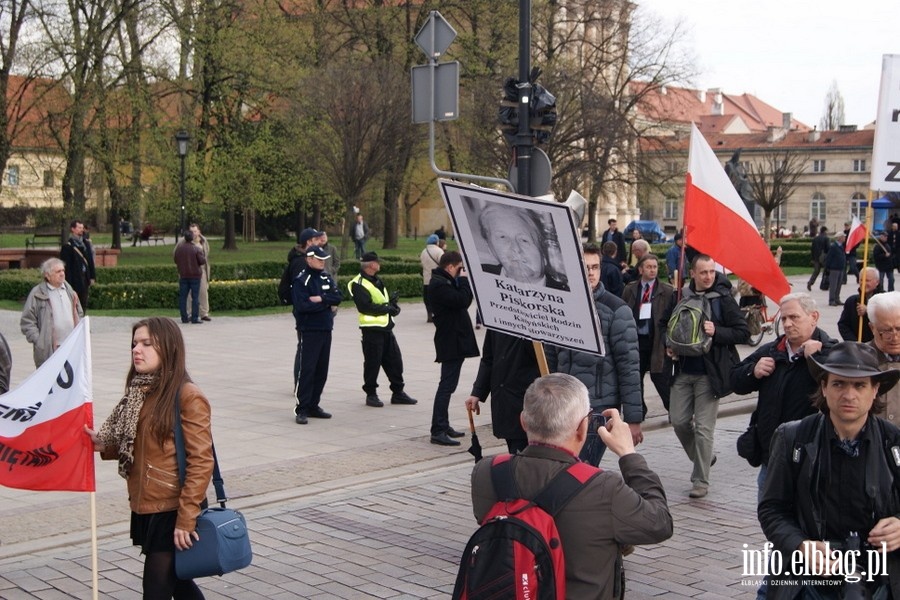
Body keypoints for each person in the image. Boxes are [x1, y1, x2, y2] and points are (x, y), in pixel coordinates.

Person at [470, 373, 673, 599]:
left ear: (523, 421)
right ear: (582, 427)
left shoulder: (488, 472)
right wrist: (628, 454)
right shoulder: (603, 487)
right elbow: (660, 523)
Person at [758, 342, 900, 599]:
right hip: (809, 579)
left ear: (875, 390)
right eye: (838, 384)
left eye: (859, 385)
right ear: (824, 387)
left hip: (881, 579)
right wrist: (800, 545)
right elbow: (771, 509)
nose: (849, 395)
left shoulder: (895, 442)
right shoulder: (793, 437)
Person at [85, 317, 214, 600]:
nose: (136, 350)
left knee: (156, 589)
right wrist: (104, 446)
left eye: (146, 343)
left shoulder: (187, 396)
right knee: (179, 583)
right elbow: (141, 445)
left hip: (172, 507)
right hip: (148, 504)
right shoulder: (141, 391)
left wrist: (186, 517)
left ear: (168, 348)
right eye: (134, 343)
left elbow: (201, 461)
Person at [730, 292, 835, 499]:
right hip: (773, 456)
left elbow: (841, 388)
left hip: (812, 457)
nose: (787, 324)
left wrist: (818, 359)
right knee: (770, 515)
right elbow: (734, 381)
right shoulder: (772, 350)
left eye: (794, 317)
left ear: (814, 317)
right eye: (784, 318)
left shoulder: (831, 350)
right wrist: (753, 370)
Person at [546, 244, 643, 465]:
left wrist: (634, 418)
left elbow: (629, 367)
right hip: (565, 405)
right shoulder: (561, 306)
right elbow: (552, 358)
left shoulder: (617, 310)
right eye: (585, 267)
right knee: (564, 468)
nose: (590, 272)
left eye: (595, 267)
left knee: (583, 467)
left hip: (598, 407)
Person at [666, 254, 749, 498]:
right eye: (703, 272)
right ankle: (704, 457)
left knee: (703, 428)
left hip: (710, 374)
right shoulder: (680, 296)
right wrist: (668, 344)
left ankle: (700, 481)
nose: (709, 276)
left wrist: (717, 331)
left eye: (712, 271)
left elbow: (743, 332)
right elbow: (665, 325)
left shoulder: (723, 299)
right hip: (682, 370)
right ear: (692, 273)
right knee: (679, 421)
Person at [348, 252, 418, 408]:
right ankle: (371, 394)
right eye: (377, 262)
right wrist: (387, 309)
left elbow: (381, 301)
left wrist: (392, 306)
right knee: (373, 363)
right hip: (371, 330)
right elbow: (365, 306)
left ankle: (398, 393)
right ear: (371, 265)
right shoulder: (358, 283)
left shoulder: (376, 280)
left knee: (395, 361)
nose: (379, 264)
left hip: (386, 328)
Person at [427, 251, 479, 446]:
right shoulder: (439, 285)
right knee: (446, 386)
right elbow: (463, 301)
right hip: (450, 342)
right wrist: (465, 280)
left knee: (449, 386)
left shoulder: (444, 281)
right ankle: (437, 430)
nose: (460, 272)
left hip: (454, 340)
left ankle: (443, 424)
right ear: (450, 267)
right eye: (459, 268)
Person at [464, 330, 540, 454]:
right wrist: (477, 392)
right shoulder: (496, 321)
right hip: (504, 399)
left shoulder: (533, 324)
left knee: (523, 452)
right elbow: (488, 359)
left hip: (528, 400)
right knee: (513, 449)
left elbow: (544, 359)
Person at [292, 245, 343, 425]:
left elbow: (338, 296)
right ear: (309, 259)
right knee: (308, 370)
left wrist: (321, 299)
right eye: (319, 259)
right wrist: (326, 304)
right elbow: (303, 306)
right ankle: (302, 408)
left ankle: (314, 405)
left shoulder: (325, 277)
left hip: (325, 328)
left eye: (324, 260)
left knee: (322, 370)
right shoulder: (301, 280)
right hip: (310, 329)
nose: (322, 263)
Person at [622, 253, 676, 414]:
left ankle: (673, 410)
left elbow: (673, 318)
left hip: (657, 341)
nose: (652, 270)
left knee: (659, 377)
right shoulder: (631, 289)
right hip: (636, 340)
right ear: (640, 269)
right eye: (649, 267)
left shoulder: (666, 291)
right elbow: (623, 311)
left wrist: (670, 341)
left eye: (655, 267)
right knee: (635, 378)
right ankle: (640, 411)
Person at [477, 203, 569, 290]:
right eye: (503, 237)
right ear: (490, 249)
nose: (515, 249)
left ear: (544, 252)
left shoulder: (567, 294)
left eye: (524, 240)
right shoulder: (479, 277)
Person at [20, 258, 83, 367]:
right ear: (47, 275)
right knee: (50, 382)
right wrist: (39, 341)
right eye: (58, 271)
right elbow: (27, 321)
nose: (62, 274)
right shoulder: (37, 293)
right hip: (49, 349)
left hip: (71, 345)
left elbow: (79, 312)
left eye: (63, 270)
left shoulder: (69, 290)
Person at [866, 291, 900, 428]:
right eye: (886, 331)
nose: (895, 337)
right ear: (872, 328)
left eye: (899, 328)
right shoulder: (857, 360)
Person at [59, 219, 96, 312]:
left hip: (85, 279)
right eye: (79, 228)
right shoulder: (67, 247)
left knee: (83, 304)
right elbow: (66, 267)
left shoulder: (86, 244)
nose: (81, 230)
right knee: (73, 305)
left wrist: (92, 276)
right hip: (74, 280)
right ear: (73, 229)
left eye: (82, 228)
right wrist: (68, 282)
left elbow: (90, 261)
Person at [837, 266, 881, 342]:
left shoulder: (885, 299)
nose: (863, 283)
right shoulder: (852, 301)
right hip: (857, 346)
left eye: (867, 280)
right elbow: (843, 325)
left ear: (877, 282)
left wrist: (868, 310)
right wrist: (854, 343)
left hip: (878, 346)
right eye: (861, 280)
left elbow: (889, 320)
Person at [173, 231, 207, 324]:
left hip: (183, 275)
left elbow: (175, 259)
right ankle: (195, 318)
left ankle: (184, 317)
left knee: (183, 297)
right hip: (195, 276)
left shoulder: (179, 249)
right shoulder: (196, 249)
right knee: (195, 297)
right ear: (192, 238)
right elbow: (202, 261)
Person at [188, 224, 211, 322]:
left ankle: (204, 313)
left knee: (203, 291)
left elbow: (207, 252)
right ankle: (189, 312)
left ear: (199, 231)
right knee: (189, 293)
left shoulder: (203, 241)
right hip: (189, 270)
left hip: (201, 269)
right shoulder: (185, 241)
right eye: (191, 231)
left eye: (195, 231)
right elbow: (176, 252)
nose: (193, 233)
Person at [419, 234, 443, 324]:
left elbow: (422, 264)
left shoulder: (424, 251)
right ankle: (436, 314)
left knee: (427, 298)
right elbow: (442, 264)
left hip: (426, 278)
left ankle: (429, 314)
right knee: (437, 298)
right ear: (436, 242)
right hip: (437, 279)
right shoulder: (439, 251)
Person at [824, 231, 847, 306]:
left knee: (839, 285)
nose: (844, 238)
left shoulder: (841, 246)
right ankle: (832, 300)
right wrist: (827, 268)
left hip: (840, 268)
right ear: (839, 238)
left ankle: (837, 299)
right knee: (833, 285)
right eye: (843, 237)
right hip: (834, 269)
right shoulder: (834, 246)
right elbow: (829, 258)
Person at [806, 226, 829, 291]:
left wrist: (813, 258)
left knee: (816, 271)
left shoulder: (815, 238)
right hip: (824, 258)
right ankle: (824, 284)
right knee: (826, 271)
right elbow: (828, 249)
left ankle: (810, 283)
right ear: (825, 231)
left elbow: (812, 249)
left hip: (816, 258)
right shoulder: (826, 238)